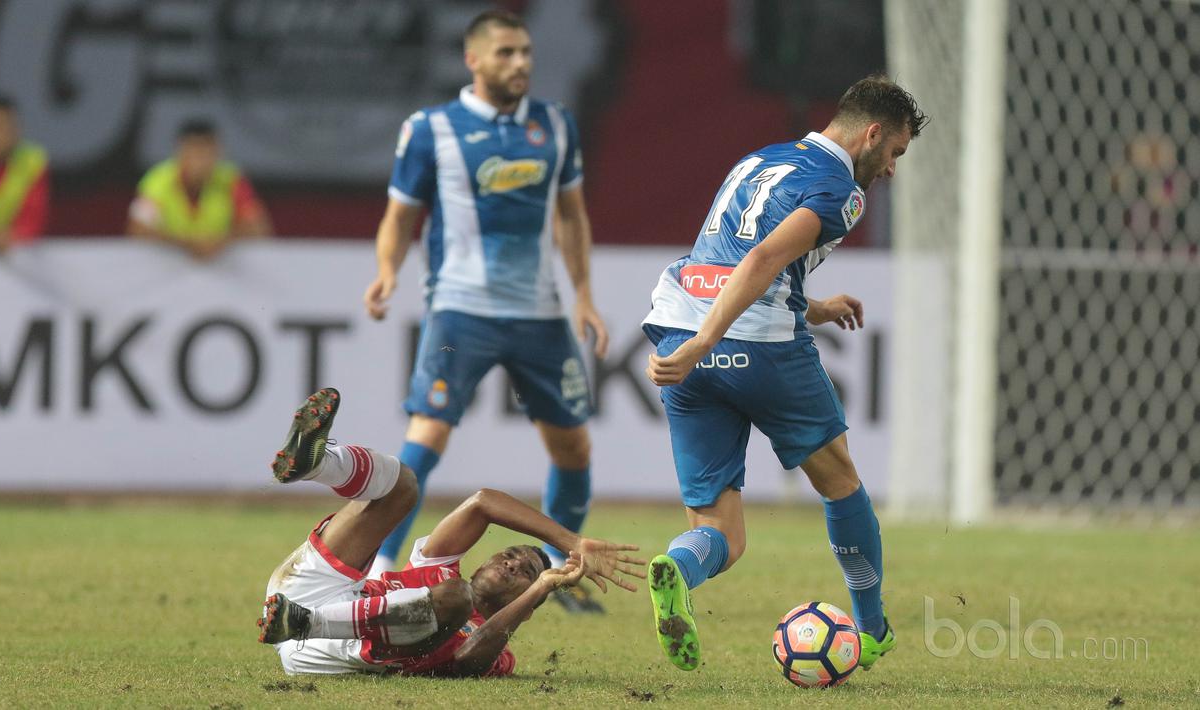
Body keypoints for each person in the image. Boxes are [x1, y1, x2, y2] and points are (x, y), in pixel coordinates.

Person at [639, 75, 927, 672]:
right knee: (840, 481)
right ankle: (872, 629)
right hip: (753, 347)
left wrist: (811, 308)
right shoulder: (841, 191)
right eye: (895, 152)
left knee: (722, 532)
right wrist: (708, 340)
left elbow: (729, 260)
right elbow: (764, 256)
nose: (892, 169)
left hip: (678, 330)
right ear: (872, 133)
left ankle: (679, 568)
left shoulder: (759, 160)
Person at [361, 10, 610, 613]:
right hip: (460, 310)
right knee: (427, 433)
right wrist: (388, 269)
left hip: (539, 314)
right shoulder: (432, 129)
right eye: (505, 53)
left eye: (525, 51)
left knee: (573, 448)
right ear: (473, 59)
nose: (520, 62)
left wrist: (583, 294)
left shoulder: (555, 124)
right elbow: (400, 215)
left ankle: (555, 574)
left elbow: (571, 215)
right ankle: (381, 569)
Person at [257, 388, 644, 677]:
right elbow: (483, 503)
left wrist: (543, 585)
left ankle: (305, 622)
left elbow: (465, 663)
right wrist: (572, 542)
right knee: (404, 485)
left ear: (526, 609)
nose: (511, 563)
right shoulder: (438, 568)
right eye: (508, 555)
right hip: (301, 593)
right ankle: (318, 464)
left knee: (457, 597)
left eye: (526, 572)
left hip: (330, 649)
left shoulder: (496, 648)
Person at [126, 119, 271, 260]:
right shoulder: (158, 180)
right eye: (195, 152)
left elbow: (258, 227)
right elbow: (138, 228)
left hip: (220, 267)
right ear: (181, 151)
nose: (201, 161)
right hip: (169, 266)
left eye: (207, 152)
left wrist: (221, 241)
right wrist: (187, 244)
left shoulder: (232, 181)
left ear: (218, 152)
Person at [0, 96, 49, 252]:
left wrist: (12, 237)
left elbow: (34, 217)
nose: (1, 134)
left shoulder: (33, 161)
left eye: (7, 126)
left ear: (18, 129)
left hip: (17, 251)